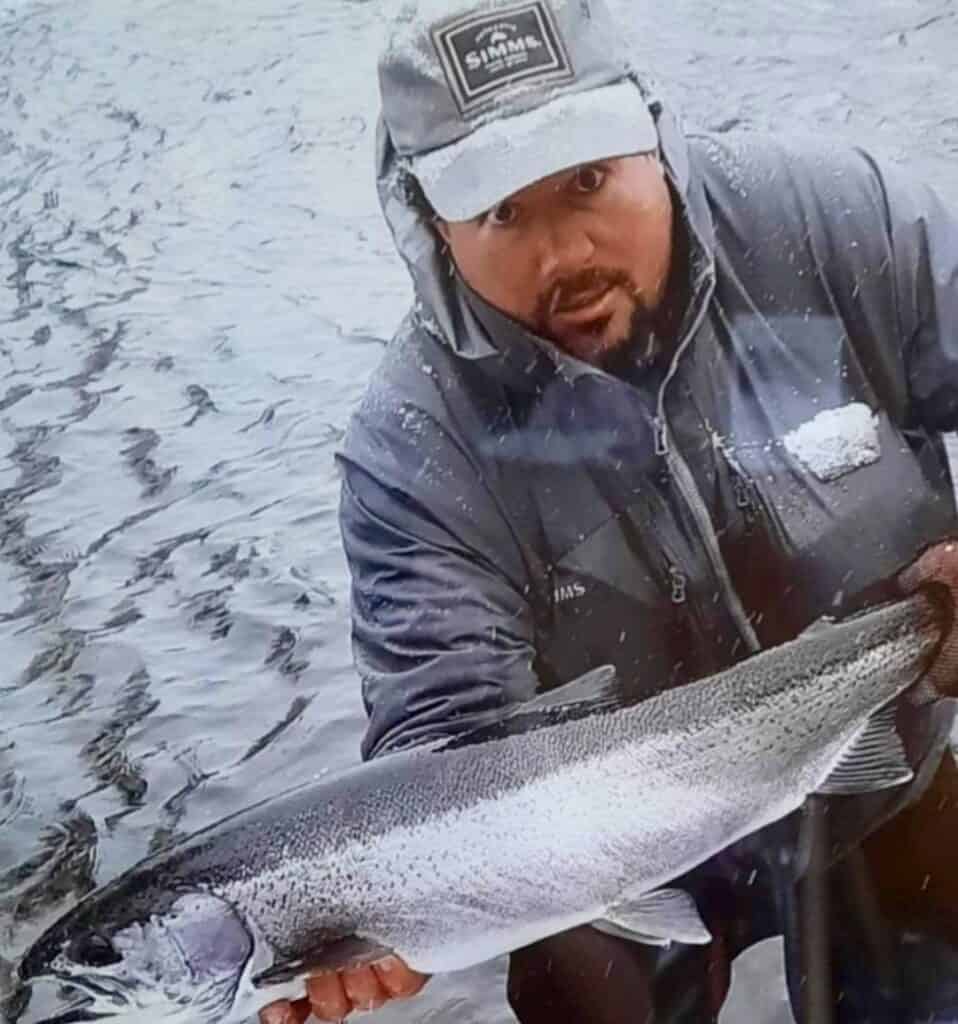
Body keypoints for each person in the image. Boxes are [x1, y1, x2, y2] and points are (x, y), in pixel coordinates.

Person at [262, 0, 958, 1020]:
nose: (563, 252)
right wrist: (397, 915)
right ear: (424, 219)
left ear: (652, 130)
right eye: (500, 212)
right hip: (587, 881)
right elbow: (443, 738)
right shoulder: (411, 447)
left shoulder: (832, 220)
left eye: (587, 179)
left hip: (889, 764)